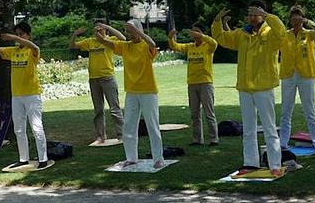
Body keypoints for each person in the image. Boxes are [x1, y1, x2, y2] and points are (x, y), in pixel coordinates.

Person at [212, 0, 286, 177]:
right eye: (250, 14)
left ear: (263, 14)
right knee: (249, 128)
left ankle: (275, 164)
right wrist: (217, 21)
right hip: (245, 87)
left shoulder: (271, 33)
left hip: (264, 87)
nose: (252, 17)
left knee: (269, 127)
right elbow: (222, 38)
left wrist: (268, 16)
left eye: (256, 14)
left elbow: (282, 33)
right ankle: (250, 163)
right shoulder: (242, 34)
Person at [96, 20, 163, 168]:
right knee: (129, 126)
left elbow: (152, 43)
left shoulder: (146, 46)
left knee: (152, 125)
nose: (128, 34)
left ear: (138, 31)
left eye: (131, 31)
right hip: (132, 92)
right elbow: (105, 41)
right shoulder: (126, 47)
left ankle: (158, 158)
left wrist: (137, 31)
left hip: (148, 91)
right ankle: (131, 158)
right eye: (127, 31)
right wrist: (103, 30)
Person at [0, 22, 51, 170]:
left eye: (21, 34)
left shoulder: (32, 51)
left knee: (36, 127)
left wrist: (14, 37)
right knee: (19, 129)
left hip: (32, 95)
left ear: (28, 35)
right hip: (16, 96)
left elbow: (36, 47)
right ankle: (23, 158)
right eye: (17, 34)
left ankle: (43, 158)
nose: (18, 37)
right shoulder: (13, 51)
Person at [70, 20, 127, 146]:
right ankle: (101, 137)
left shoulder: (110, 40)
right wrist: (75, 34)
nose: (98, 31)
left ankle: (122, 134)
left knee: (114, 108)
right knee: (98, 110)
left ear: (105, 30)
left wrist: (107, 28)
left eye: (100, 29)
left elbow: (123, 38)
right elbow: (72, 46)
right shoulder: (90, 42)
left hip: (107, 78)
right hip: (94, 79)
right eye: (96, 29)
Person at [279, 5, 315, 153]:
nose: (296, 18)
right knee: (286, 110)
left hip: (306, 74)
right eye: (293, 15)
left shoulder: (309, 34)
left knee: (309, 109)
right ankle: (282, 143)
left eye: (299, 15)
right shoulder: (284, 35)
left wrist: (307, 21)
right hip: (288, 74)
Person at [168, 22, 219, 146]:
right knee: (194, 114)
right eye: (193, 31)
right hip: (192, 83)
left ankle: (214, 139)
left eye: (197, 31)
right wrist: (170, 37)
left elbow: (214, 43)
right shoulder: (190, 47)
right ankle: (197, 139)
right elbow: (175, 46)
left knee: (209, 112)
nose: (194, 34)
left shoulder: (208, 46)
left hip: (205, 83)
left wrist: (202, 36)